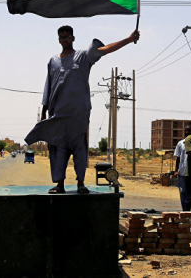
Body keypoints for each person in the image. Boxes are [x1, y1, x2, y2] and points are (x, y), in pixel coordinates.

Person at [26, 25, 140, 194]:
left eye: (67, 36)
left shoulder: (83, 57)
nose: (64, 39)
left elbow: (105, 49)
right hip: (58, 115)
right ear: (59, 40)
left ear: (73, 38)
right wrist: (43, 113)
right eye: (61, 37)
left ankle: (80, 183)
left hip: (78, 115)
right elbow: (47, 87)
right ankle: (60, 184)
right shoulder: (53, 61)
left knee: (80, 148)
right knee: (58, 149)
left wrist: (129, 39)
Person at [173, 124, 191, 211]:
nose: (187, 132)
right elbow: (178, 158)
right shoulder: (180, 143)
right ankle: (185, 211)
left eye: (189, 130)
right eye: (185, 130)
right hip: (182, 172)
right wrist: (176, 170)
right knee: (183, 192)